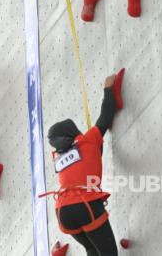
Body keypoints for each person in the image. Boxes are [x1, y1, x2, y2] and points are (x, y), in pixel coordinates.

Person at [45, 73, 122, 256]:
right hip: (84, 204)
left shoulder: (57, 157)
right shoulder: (88, 141)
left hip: (62, 211)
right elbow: (106, 114)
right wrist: (108, 88)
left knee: (91, 249)